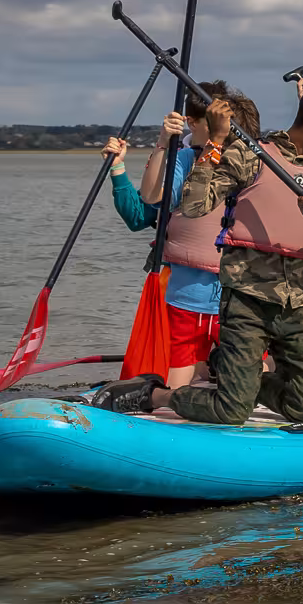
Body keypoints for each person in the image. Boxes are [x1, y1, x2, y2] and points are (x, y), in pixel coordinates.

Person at [94, 83, 303, 424]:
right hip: (248, 301)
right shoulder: (252, 156)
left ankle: (237, 380)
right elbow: (195, 204)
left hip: (302, 306)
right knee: (231, 412)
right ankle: (156, 394)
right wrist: (215, 142)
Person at [103, 81, 258, 389]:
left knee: (251, 362)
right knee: (184, 370)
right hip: (189, 289)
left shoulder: (252, 162)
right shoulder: (182, 158)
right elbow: (143, 208)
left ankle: (214, 370)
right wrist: (148, 152)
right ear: (195, 123)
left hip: (240, 292)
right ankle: (186, 383)